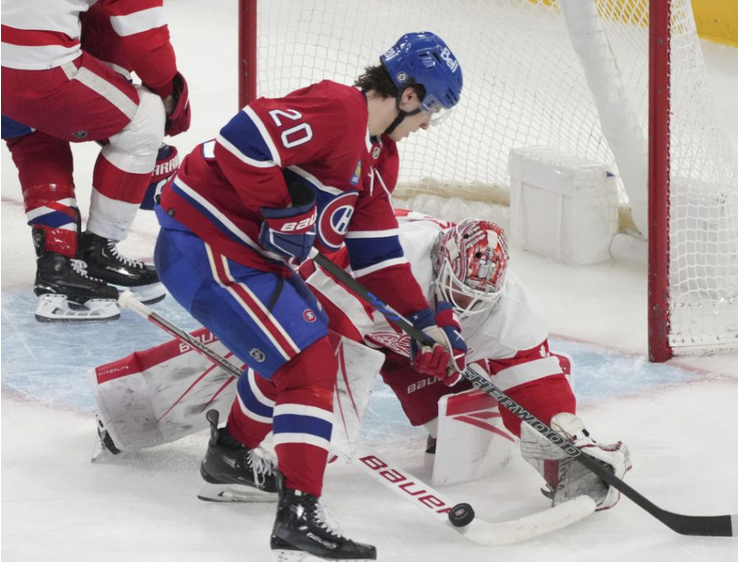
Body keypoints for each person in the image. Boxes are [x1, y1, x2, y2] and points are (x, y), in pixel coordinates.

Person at [153, 31, 464, 561]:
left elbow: (378, 254)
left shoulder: (376, 158)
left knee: (308, 343)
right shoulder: (338, 108)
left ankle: (229, 455)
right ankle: (299, 519)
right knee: (306, 360)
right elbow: (240, 138)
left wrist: (423, 321)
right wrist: (280, 208)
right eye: (429, 109)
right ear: (408, 95)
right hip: (203, 244)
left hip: (247, 258)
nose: (428, 123)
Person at [300, 211, 633, 512]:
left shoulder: (512, 309)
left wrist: (569, 449)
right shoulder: (386, 262)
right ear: (439, 266)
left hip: (405, 344)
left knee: (447, 431)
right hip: (347, 313)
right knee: (308, 409)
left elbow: (537, 380)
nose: (468, 305)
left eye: (479, 298)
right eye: (460, 293)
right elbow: (315, 321)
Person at [1, 0, 191, 321]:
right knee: (144, 116)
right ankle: (99, 250)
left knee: (35, 138)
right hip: (38, 69)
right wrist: (169, 92)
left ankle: (57, 264)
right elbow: (143, 35)